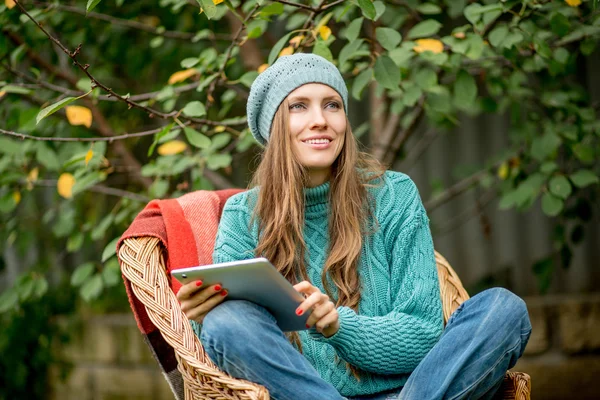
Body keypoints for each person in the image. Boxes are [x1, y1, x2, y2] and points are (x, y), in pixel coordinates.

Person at [176, 53, 532, 400]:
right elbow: (239, 342)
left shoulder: (393, 194)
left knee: (503, 310)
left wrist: (338, 326)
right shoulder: (244, 214)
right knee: (227, 321)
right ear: (273, 125)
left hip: (419, 391)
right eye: (298, 106)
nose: (320, 120)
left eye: (332, 105)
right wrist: (202, 315)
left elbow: (423, 335)